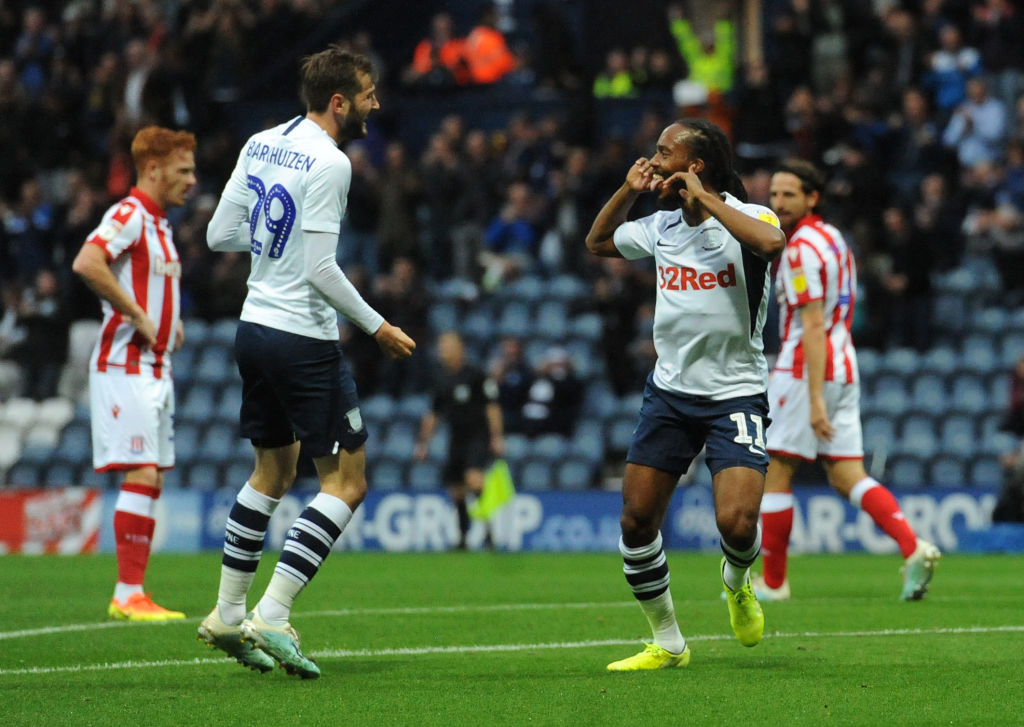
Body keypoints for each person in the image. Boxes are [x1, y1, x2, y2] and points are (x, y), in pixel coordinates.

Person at [198, 46, 415, 679]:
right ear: (340, 101)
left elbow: (220, 234)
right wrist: (377, 326)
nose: (377, 104)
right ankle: (273, 611)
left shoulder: (262, 141)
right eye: (369, 94)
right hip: (302, 336)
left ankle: (229, 613)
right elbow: (321, 268)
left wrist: (274, 242)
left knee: (272, 470)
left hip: (253, 327)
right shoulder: (332, 162)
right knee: (347, 481)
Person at [584, 117, 786, 670]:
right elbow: (597, 241)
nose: (653, 161)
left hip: (736, 394)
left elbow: (772, 243)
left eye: (662, 154)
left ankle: (737, 581)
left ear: (695, 166)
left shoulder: (752, 217)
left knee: (738, 524)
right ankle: (668, 640)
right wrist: (629, 189)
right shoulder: (659, 225)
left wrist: (707, 200)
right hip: (671, 393)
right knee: (636, 520)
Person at [760, 159, 941, 604]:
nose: (778, 203)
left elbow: (814, 323)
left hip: (808, 369)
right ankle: (913, 546)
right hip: (844, 365)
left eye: (789, 195)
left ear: (811, 198)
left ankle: (774, 582)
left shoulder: (800, 248)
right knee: (846, 476)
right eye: (774, 194)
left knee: (777, 472)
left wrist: (815, 398)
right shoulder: (834, 238)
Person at [71, 125, 196, 622]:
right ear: (153, 169)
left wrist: (171, 321)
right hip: (125, 365)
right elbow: (88, 262)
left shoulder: (159, 223)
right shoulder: (130, 213)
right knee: (142, 471)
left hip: (154, 366)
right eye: (183, 171)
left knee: (153, 478)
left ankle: (134, 591)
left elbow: (147, 285)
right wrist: (137, 315)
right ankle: (127, 593)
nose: (192, 180)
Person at [414, 331, 504, 551]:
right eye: (441, 346)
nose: (442, 351)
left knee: (474, 480)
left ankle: (489, 533)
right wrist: (424, 443)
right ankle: (463, 538)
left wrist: (496, 437)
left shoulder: (476, 375)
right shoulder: (441, 379)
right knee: (457, 490)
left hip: (478, 436)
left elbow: (492, 407)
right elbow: (434, 413)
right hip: (456, 438)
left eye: (447, 346)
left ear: (460, 349)